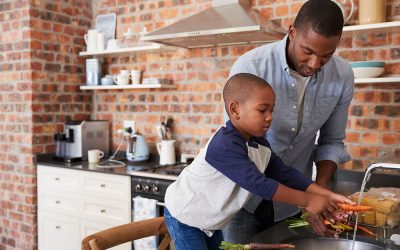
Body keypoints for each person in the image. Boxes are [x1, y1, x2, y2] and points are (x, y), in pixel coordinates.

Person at [164, 73, 354, 250]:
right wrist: (311, 200)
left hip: (209, 221)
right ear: (235, 109)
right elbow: (260, 185)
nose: (270, 117)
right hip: (185, 217)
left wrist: (327, 195)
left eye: (272, 110)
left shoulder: (258, 143)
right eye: (262, 110)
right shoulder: (224, 144)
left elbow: (283, 173)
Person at [223, 0, 355, 243]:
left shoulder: (343, 76)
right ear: (292, 32)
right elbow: (239, 146)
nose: (315, 64)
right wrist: (310, 198)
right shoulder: (251, 67)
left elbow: (332, 141)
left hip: (293, 206)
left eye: (326, 55)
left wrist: (321, 191)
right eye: (308, 51)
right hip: (243, 203)